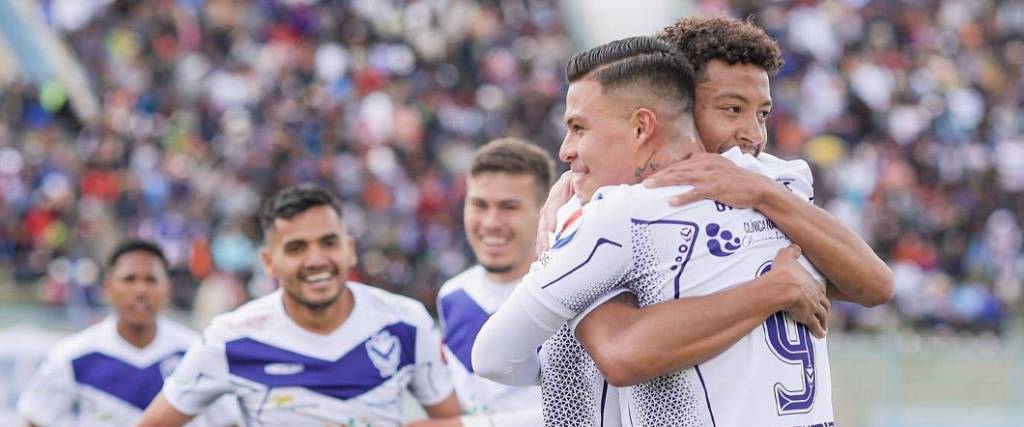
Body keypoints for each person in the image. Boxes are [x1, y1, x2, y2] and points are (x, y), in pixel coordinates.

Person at [473, 36, 836, 426]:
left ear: (642, 126)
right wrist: (773, 291)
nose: (565, 150)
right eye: (733, 109)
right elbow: (876, 286)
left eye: (579, 128)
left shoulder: (619, 214)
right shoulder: (782, 183)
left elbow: (493, 357)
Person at [137, 184, 460, 427]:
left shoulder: (405, 322)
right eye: (296, 248)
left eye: (328, 243)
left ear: (349, 249)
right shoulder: (231, 338)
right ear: (268, 262)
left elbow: (454, 421)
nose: (316, 260)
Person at [17, 240, 239, 427]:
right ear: (108, 287)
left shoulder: (197, 354)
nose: (140, 290)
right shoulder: (71, 357)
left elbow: (229, 422)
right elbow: (35, 421)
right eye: (129, 279)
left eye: (151, 280)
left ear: (168, 288)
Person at [412, 138, 553, 427]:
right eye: (479, 205)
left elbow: (585, 410)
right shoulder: (452, 294)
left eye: (508, 207)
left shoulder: (567, 292)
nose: (490, 222)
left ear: (543, 211)